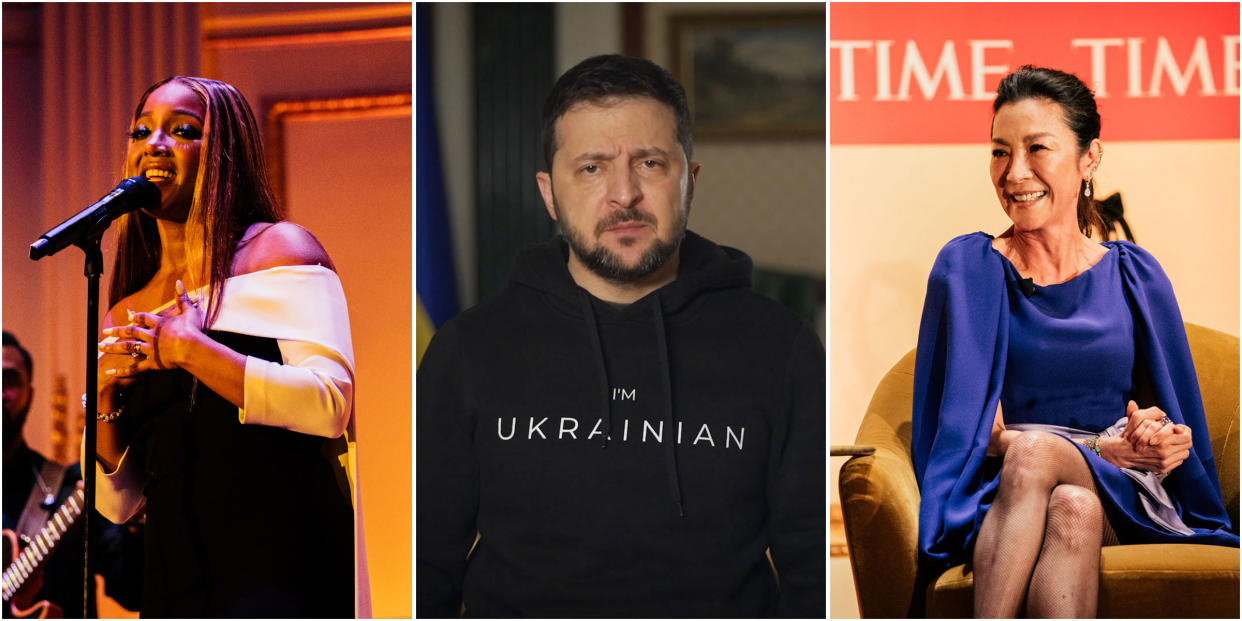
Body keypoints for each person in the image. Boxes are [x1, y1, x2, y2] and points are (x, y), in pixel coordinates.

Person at [417, 54, 825, 617]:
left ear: (690, 181)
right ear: (548, 193)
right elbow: (425, 571)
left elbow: (812, 577)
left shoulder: (783, 348)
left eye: (651, 163)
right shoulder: (468, 350)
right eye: (591, 168)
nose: (624, 194)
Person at [911, 65, 1238, 618]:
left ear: (1089, 158)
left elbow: (1174, 420)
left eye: (1038, 148)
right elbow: (973, 435)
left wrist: (1158, 436)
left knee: (1058, 473)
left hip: (1127, 488)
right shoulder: (967, 268)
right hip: (1009, 493)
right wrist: (1088, 450)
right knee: (1071, 507)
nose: (1015, 173)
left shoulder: (1136, 274)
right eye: (999, 151)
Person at [85, 76, 366, 617]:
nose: (155, 144)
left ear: (224, 155)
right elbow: (118, 504)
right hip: (175, 581)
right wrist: (102, 404)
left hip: (280, 567)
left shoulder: (279, 250)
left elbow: (330, 406)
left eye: (183, 130)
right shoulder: (127, 308)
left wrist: (191, 350)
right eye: (142, 131)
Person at [3, 330, 143, 617]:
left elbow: (134, 589)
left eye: (9, 379)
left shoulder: (72, 487)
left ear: (30, 394)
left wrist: (135, 507)